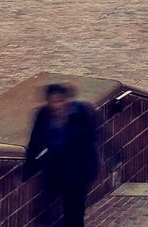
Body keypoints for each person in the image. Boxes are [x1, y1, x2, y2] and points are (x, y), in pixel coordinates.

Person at [26, 82, 100, 227]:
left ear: (67, 100)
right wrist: (30, 167)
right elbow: (35, 140)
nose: (57, 105)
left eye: (61, 101)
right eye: (53, 102)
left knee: (75, 212)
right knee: (49, 212)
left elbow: (91, 137)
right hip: (56, 170)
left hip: (79, 171)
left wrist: (67, 123)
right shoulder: (44, 114)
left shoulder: (80, 113)